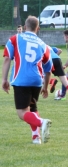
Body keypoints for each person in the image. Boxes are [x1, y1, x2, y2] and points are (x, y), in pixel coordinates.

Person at [2, 16, 53, 145]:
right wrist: (45, 87)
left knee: (21, 112)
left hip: (21, 78)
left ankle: (42, 122)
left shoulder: (15, 39)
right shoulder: (43, 45)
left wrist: (4, 79)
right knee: (32, 107)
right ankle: (36, 137)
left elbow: (7, 59)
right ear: (38, 28)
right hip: (37, 80)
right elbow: (48, 69)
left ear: (25, 27)